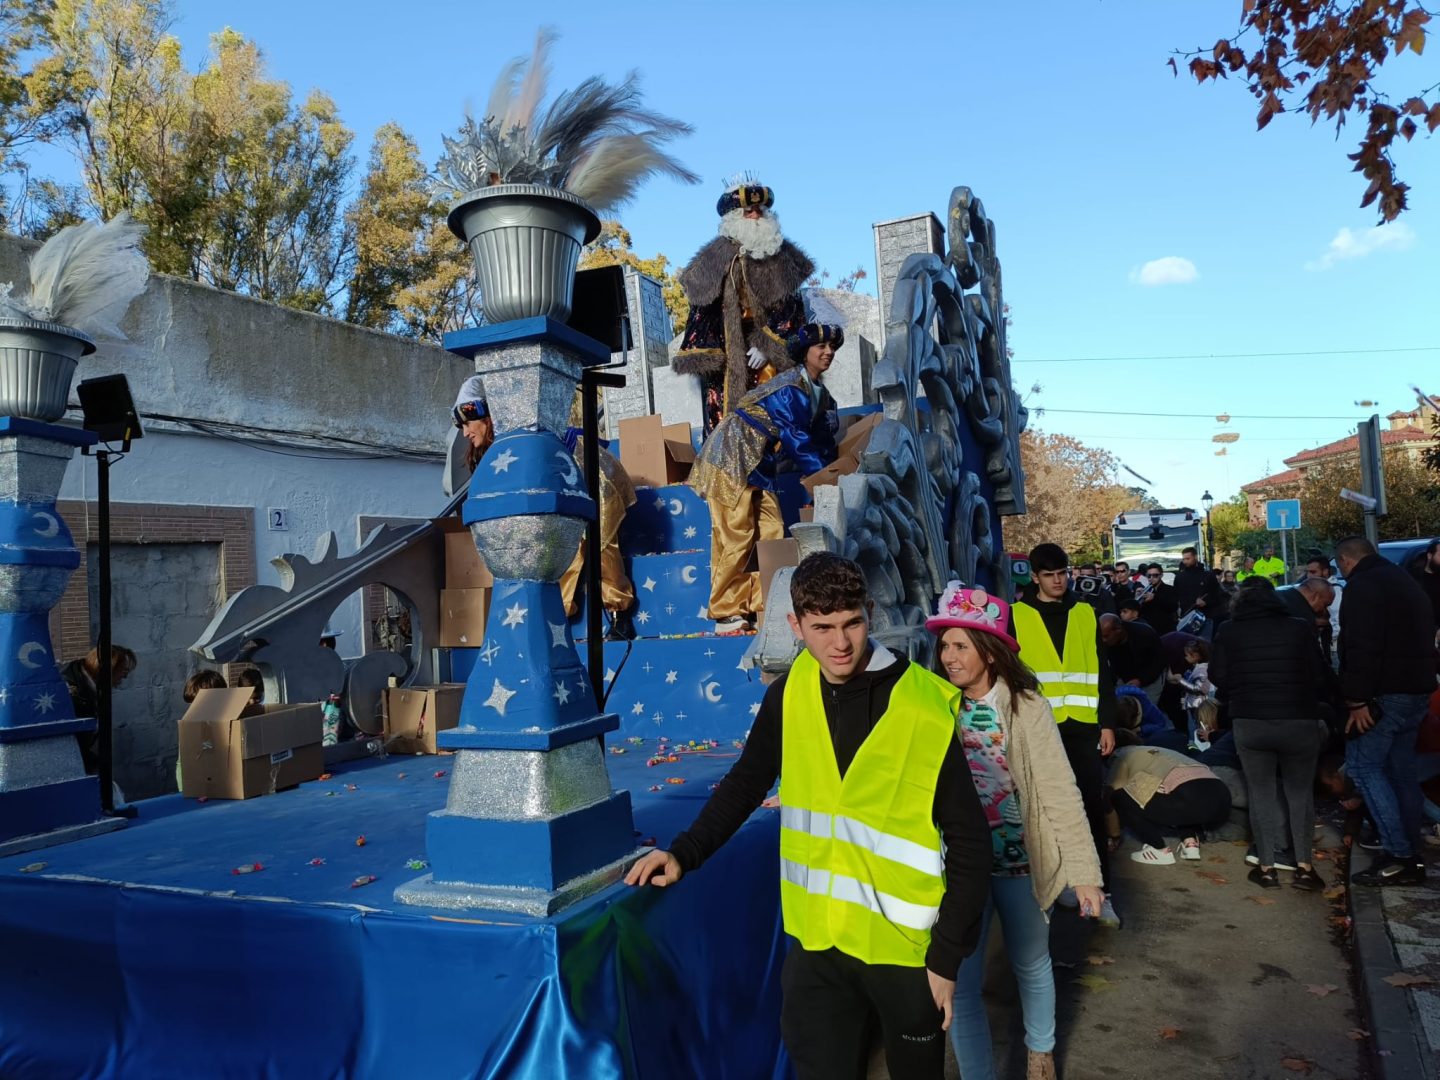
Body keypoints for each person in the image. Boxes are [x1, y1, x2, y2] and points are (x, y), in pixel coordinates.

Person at [625, 553, 990, 1080]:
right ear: (796, 625)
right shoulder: (789, 693)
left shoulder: (924, 705)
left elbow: (971, 841)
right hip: (816, 946)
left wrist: (947, 958)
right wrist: (684, 852)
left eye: (851, 624)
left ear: (869, 614)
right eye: (822, 628)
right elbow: (746, 783)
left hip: (906, 951)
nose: (840, 643)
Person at [927, 582, 1102, 1080]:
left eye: (961, 646)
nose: (949, 656)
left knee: (1031, 962)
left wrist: (1085, 873)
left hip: (1020, 863)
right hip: (961, 870)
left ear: (990, 650)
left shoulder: (1027, 708)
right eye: (945, 645)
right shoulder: (934, 706)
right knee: (960, 979)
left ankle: (1040, 1053)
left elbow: (1059, 790)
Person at [688, 323, 840, 635]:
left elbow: (820, 439)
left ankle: (764, 603)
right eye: (820, 346)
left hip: (761, 462)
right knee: (736, 533)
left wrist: (831, 473)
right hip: (732, 456)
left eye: (832, 347)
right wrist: (822, 480)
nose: (828, 352)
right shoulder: (789, 388)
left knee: (771, 530)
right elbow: (796, 438)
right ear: (805, 352)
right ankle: (726, 610)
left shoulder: (818, 393)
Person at [1011, 543, 1120, 925]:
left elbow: (1103, 672)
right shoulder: (1015, 616)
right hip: (1037, 728)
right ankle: (1056, 887)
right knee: (1041, 810)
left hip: (1083, 727)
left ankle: (1100, 891)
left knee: (1089, 807)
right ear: (1035, 577)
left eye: (1062, 573)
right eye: (1050, 575)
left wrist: (1108, 722)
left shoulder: (1085, 613)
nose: (1058, 581)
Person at [1209, 577, 1328, 890]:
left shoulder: (1229, 630)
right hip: (1298, 719)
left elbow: (1217, 675)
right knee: (1300, 793)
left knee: (1260, 792)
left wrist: (1241, 690)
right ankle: (1305, 868)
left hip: (1250, 721)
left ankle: (1265, 868)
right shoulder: (1299, 627)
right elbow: (1319, 673)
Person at [1334, 535, 1438, 886]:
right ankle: (1409, 851)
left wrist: (1356, 700)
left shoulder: (1363, 586)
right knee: (1400, 772)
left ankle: (1398, 854)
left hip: (1383, 694)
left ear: (1346, 561)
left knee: (1364, 768)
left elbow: (1361, 646)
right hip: (1416, 690)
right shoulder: (1403, 581)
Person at [673, 176, 813, 435]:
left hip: (767, 344)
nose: (757, 215)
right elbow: (703, 310)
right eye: (750, 211)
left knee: (777, 407)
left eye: (761, 209)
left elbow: (790, 310)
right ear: (735, 216)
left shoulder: (781, 256)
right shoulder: (715, 257)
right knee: (726, 411)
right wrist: (712, 353)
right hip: (729, 347)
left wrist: (767, 344)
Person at [555, 391, 639, 641]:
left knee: (602, 541)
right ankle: (556, 616)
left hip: (592, 470)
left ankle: (619, 614)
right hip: (560, 474)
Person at [1105, 743, 1233, 865]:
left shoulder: (1122, 754)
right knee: (1174, 797)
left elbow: (1110, 792)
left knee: (1119, 797)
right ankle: (1190, 843)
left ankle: (1159, 850)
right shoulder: (1160, 751)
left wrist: (1113, 834)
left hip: (1189, 799)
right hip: (1222, 798)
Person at [61, 644, 138, 775]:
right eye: (123, 671)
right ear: (108, 668)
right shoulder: (71, 693)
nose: (124, 678)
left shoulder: (88, 687)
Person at [1099, 613, 1166, 704]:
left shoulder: (1144, 634)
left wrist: (1141, 680)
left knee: (1146, 709)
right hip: (1125, 680)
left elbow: (1159, 662)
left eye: (1106, 636)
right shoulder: (1107, 642)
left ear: (1118, 630)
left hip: (1151, 679)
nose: (1103, 640)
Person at [452, 375, 495, 471]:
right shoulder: (479, 459)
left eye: (467, 424)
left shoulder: (513, 447)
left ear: (487, 419)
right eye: (462, 427)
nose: (465, 434)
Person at [1172, 546, 1221, 624]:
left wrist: (1206, 602)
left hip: (1205, 616)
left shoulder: (1208, 575)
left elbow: (1217, 595)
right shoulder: (1179, 577)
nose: (1185, 562)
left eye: (1188, 559)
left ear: (1195, 557)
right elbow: (1175, 597)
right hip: (1186, 617)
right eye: (1184, 559)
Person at [1137, 564, 1179, 635]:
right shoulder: (1145, 590)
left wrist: (1155, 598)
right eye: (1149, 576)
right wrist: (1137, 598)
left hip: (1165, 630)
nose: (1151, 578)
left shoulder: (1170, 589)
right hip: (1149, 630)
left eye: (1155, 575)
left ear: (1161, 575)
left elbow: (1173, 607)